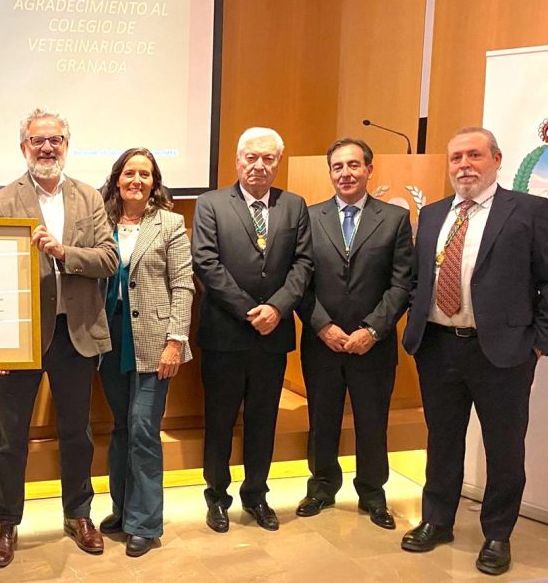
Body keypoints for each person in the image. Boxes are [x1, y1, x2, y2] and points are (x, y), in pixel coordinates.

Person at [400, 127, 548, 575]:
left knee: (503, 448)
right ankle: (437, 520)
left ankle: (498, 533)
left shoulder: (530, 212)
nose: (464, 165)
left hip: (504, 354)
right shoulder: (435, 214)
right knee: (442, 442)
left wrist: (539, 345)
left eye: (474, 155)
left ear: (496, 159)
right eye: (456, 157)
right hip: (437, 348)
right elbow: (420, 280)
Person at [0, 108, 118, 567]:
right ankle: (6, 523)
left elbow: (109, 260)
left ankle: (78, 514)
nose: (47, 147)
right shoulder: (2, 201)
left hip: (76, 333)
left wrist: (64, 253)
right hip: (21, 336)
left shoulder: (90, 198)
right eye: (38, 140)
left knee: (76, 432)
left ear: (66, 143)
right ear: (24, 146)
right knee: (10, 437)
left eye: (55, 139)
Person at [192, 126, 313, 534]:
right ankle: (217, 498)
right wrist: (250, 311)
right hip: (226, 334)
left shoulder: (294, 206)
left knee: (264, 420)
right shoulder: (211, 204)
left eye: (268, 158)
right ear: (237, 159)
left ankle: (257, 495)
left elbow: (303, 265)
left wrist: (277, 309)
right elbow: (206, 264)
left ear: (278, 162)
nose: (259, 166)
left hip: (272, 336)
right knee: (221, 420)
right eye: (251, 157)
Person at [295, 138, 413, 530]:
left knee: (372, 419)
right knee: (322, 418)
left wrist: (373, 329)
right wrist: (321, 325)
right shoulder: (308, 218)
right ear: (330, 172)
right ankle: (322, 486)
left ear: (369, 169)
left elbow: (402, 284)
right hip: (321, 342)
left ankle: (373, 493)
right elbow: (299, 283)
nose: (345, 173)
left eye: (353, 165)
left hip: (372, 346)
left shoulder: (394, 219)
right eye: (338, 167)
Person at [97, 148, 194, 557]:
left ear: (154, 182)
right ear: (118, 178)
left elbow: (185, 284)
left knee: (143, 429)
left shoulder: (170, 223)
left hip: (155, 340)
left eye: (145, 174)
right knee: (121, 426)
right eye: (130, 172)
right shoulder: (98, 220)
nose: (137, 180)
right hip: (109, 337)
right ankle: (122, 509)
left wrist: (176, 340)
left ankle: (145, 522)